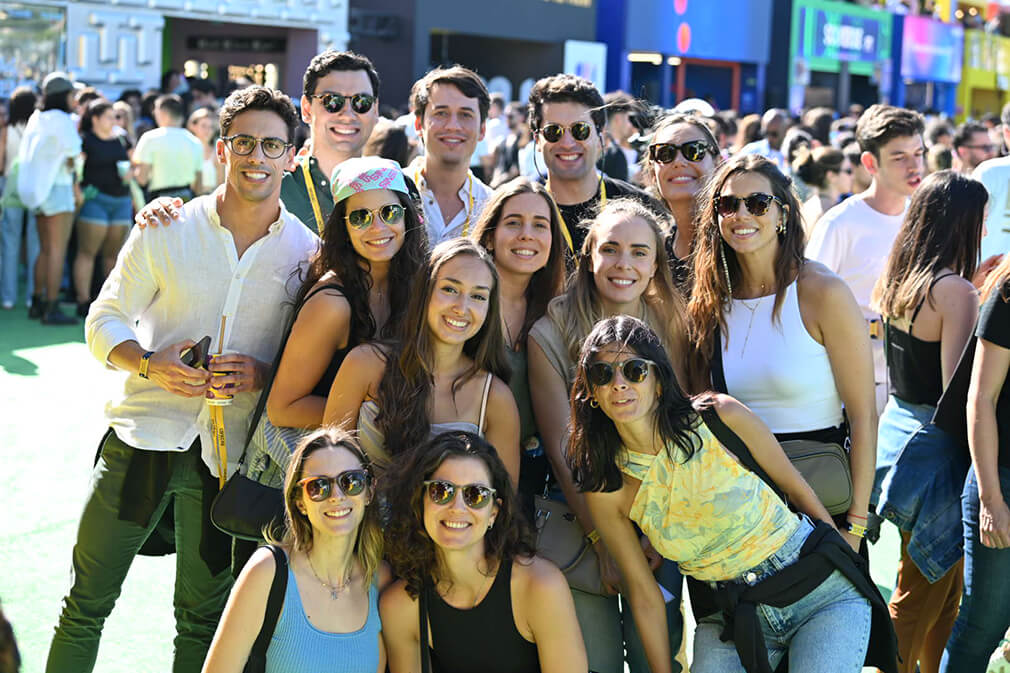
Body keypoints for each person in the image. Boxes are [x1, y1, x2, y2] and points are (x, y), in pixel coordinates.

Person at [45, 86, 318, 673]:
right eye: (244, 142)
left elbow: (314, 362)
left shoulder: (308, 254)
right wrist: (149, 362)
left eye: (273, 145)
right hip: (138, 441)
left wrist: (262, 373)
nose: (257, 156)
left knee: (202, 621)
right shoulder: (167, 227)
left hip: (228, 462)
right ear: (222, 149)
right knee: (85, 605)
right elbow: (103, 319)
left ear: (292, 156)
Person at [569, 315, 895, 673]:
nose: (619, 384)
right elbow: (644, 595)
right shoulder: (608, 487)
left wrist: (846, 557)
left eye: (634, 370)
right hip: (732, 616)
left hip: (818, 592)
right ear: (592, 394)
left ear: (658, 381)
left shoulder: (719, 417)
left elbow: (796, 488)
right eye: (603, 374)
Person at [528, 198, 687, 673]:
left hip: (662, 511)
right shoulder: (550, 331)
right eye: (611, 249)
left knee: (654, 652)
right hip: (581, 515)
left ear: (656, 263)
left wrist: (660, 532)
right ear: (589, 254)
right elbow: (563, 449)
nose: (624, 264)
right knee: (591, 661)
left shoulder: (675, 324)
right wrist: (604, 541)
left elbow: (684, 429)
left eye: (640, 252)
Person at [687, 154, 876, 551]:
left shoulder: (822, 291)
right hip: (739, 508)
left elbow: (862, 417)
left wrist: (856, 526)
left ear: (782, 214)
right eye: (728, 204)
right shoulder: (709, 300)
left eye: (757, 203)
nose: (741, 214)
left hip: (821, 505)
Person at [871, 171, 986, 673]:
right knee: (924, 589)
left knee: (934, 584)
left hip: (897, 437)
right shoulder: (955, 291)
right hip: (938, 451)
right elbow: (957, 393)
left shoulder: (902, 276)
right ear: (961, 224)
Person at [380, 431, 587, 673]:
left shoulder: (540, 586)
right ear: (420, 500)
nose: (457, 508)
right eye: (441, 491)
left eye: (475, 495)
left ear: (494, 513)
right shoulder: (400, 608)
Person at [322, 238, 520, 484]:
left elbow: (501, 503)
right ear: (425, 291)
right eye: (450, 289)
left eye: (478, 297)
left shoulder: (495, 399)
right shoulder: (364, 364)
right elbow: (327, 468)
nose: (462, 307)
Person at [201, 427, 388, 673]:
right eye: (318, 487)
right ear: (299, 501)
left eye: (351, 482)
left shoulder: (379, 578)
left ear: (369, 492)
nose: (336, 496)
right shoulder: (268, 571)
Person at [265, 156, 427, 436]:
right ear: (344, 227)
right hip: (322, 467)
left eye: (389, 212)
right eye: (361, 217)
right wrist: (378, 413)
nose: (378, 228)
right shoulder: (332, 304)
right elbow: (283, 408)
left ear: (407, 215)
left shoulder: (413, 284)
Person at [806, 104, 926, 413]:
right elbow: (806, 304)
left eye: (919, 153)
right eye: (899, 158)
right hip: (849, 387)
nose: (914, 166)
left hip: (911, 386)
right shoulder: (840, 224)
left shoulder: (925, 217)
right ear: (870, 163)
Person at [469, 177, 568, 509]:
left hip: (538, 485)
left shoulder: (556, 313)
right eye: (514, 223)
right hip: (466, 477)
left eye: (540, 225)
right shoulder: (463, 306)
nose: (527, 234)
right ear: (490, 236)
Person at [939, 255, 1010, 671]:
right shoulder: (1008, 290)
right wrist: (991, 499)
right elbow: (981, 398)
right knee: (983, 625)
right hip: (1001, 482)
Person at [526, 75, 658, 257]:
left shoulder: (642, 209)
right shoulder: (522, 211)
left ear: (601, 137)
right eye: (553, 131)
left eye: (580, 130)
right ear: (537, 140)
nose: (567, 143)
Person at [282, 50, 381, 234]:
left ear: (375, 110)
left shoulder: (397, 189)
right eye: (332, 101)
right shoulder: (277, 189)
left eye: (361, 102)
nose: (348, 114)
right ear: (306, 109)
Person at [15, 72, 82, 325]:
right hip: (58, 188)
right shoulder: (62, 119)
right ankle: (51, 307)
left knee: (45, 249)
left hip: (37, 190)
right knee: (57, 251)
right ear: (64, 95)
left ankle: (38, 301)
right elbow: (74, 150)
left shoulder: (37, 116)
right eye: (72, 94)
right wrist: (69, 158)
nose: (74, 98)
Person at [405, 65, 494, 245]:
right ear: (418, 124)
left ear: (482, 129)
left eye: (465, 115)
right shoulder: (391, 192)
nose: (453, 125)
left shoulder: (492, 207)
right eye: (441, 113)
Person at [640, 112, 722, 286]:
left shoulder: (736, 238)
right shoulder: (652, 249)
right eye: (665, 153)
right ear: (653, 174)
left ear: (718, 163)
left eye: (694, 151)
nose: (678, 162)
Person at [73, 100, 133, 317]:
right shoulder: (85, 141)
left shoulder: (121, 138)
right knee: (87, 252)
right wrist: (78, 192)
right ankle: (82, 300)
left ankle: (109, 305)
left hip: (121, 200)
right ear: (95, 118)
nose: (114, 121)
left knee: (113, 256)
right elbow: (76, 169)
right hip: (95, 199)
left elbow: (132, 165)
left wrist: (130, 174)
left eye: (116, 116)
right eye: (109, 116)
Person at [0, 86, 39, 310]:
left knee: (9, 241)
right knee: (36, 242)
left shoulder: (7, 130)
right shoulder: (37, 131)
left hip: (10, 186)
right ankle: (32, 295)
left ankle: (8, 297)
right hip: (34, 186)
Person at [133, 93, 203, 201]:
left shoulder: (150, 138)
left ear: (162, 112)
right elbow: (199, 186)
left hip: (159, 200)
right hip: (187, 198)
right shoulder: (194, 141)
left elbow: (142, 179)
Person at [973, 102, 1010, 264]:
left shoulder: (990, 171)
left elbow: (960, 230)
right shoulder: (991, 172)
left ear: (1006, 133)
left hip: (984, 280)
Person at [793, 146, 853, 236]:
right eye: (848, 171)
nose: (852, 176)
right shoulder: (831, 213)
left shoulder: (807, 207)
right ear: (831, 176)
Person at [737, 108, 790, 173]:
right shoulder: (751, 150)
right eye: (766, 133)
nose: (769, 137)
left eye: (774, 134)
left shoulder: (794, 154)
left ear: (786, 129)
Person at [187, 107, 224, 195]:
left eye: (210, 127)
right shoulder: (187, 149)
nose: (208, 130)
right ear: (193, 126)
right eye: (203, 126)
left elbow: (221, 183)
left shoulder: (217, 151)